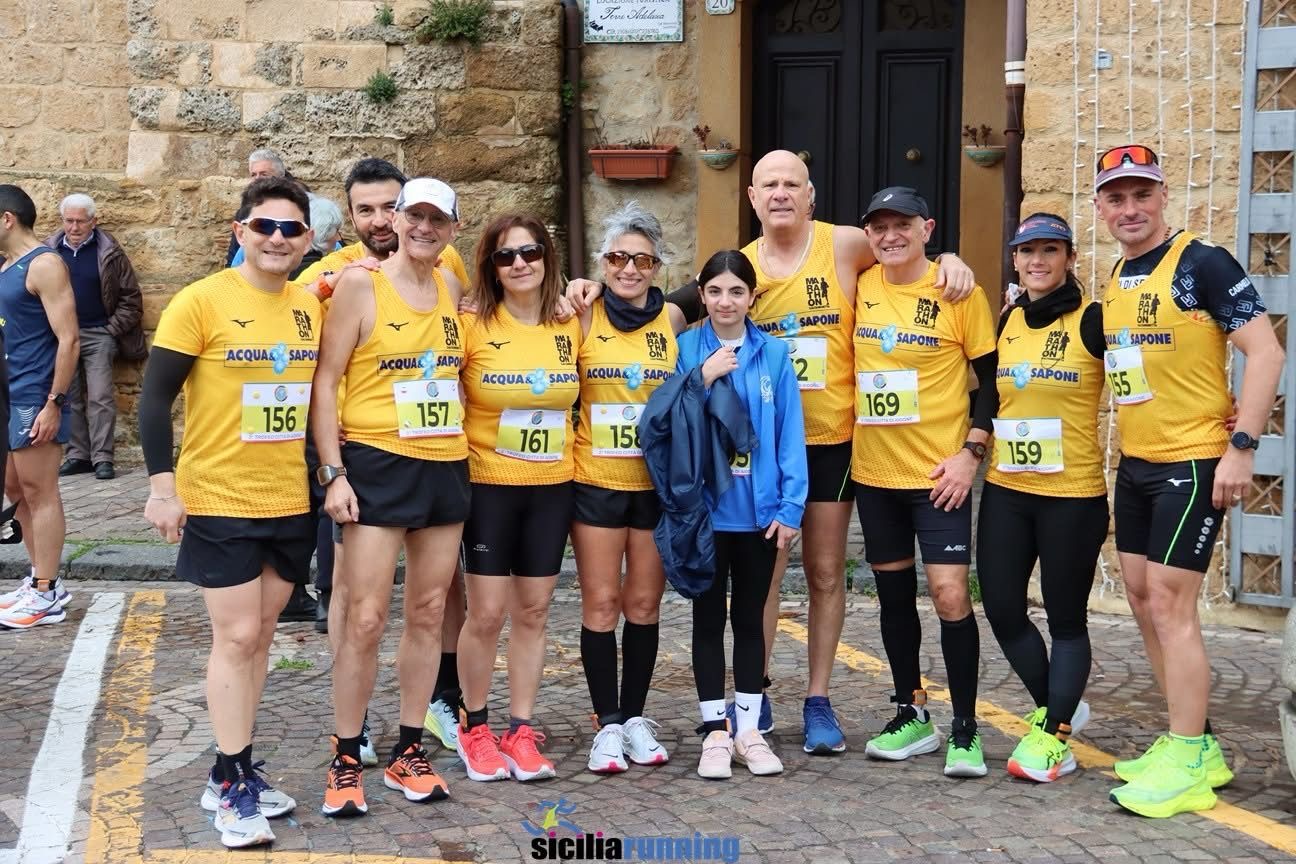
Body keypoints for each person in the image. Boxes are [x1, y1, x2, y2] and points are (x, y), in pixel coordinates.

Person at [567, 150, 976, 755]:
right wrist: (594, 290)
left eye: (792, 184)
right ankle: (751, 702)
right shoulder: (743, 268)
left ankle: (817, 698)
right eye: (768, 185)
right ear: (752, 199)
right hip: (753, 453)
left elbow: (904, 251)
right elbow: (659, 307)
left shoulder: (845, 245)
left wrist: (950, 261)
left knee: (826, 572)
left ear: (810, 196)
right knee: (766, 580)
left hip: (830, 441)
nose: (780, 194)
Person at [1092, 145, 1285, 817]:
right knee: (1144, 599)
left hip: (1195, 460)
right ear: (1101, 208)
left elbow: (1266, 351)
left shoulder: (1201, 263)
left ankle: (1188, 765)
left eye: (1141, 195)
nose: (1130, 209)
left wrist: (1242, 448)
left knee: (1173, 607)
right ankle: (1194, 742)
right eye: (1116, 197)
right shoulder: (1117, 274)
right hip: (1139, 463)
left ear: (1163, 197)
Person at [139, 176, 318, 847]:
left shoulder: (310, 306)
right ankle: (234, 784)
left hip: (288, 499)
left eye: (291, 229)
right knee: (237, 637)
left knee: (263, 635)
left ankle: (228, 768)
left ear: (307, 239)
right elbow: (154, 400)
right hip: (218, 495)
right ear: (240, 231)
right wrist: (163, 487)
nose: (278, 239)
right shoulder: (201, 301)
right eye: (265, 226)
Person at [311, 177, 465, 818]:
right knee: (367, 616)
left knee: (429, 610)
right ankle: (347, 755)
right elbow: (325, 380)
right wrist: (332, 472)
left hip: (445, 463)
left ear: (452, 228)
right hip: (375, 463)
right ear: (396, 220)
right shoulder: (358, 284)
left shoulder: (453, 288)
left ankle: (409, 749)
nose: (425, 228)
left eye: (438, 219)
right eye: (415, 216)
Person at [642, 249, 807, 779]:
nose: (725, 301)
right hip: (705, 513)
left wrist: (791, 505)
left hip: (758, 514)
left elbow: (789, 435)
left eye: (737, 291)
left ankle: (750, 729)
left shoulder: (775, 355)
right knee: (707, 620)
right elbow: (660, 421)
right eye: (715, 292)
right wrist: (702, 378)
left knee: (752, 621)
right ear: (701, 294)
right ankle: (716, 732)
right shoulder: (686, 348)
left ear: (752, 297)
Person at [851, 186, 997, 778]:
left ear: (927, 228)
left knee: (950, 596)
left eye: (901, 225)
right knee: (891, 597)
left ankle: (965, 726)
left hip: (940, 477)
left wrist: (971, 455)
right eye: (879, 227)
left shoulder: (959, 290)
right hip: (875, 474)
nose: (890, 236)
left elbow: (992, 384)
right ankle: (912, 712)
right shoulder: (860, 283)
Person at [975, 213, 1105, 783]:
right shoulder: (1009, 319)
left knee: (1065, 617)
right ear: (1016, 260)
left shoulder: (1094, 319)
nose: (1037, 261)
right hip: (1008, 489)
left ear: (1069, 258)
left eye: (1050, 251)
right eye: (1027, 252)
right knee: (1002, 607)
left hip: (1072, 494)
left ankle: (1054, 737)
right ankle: (1062, 708)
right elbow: (992, 397)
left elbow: (1136, 382)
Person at [455, 214, 582, 782]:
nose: (520, 264)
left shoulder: (572, 321)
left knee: (533, 611)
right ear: (491, 266)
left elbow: (655, 306)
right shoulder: (472, 324)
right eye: (506, 256)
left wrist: (593, 285)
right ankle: (475, 726)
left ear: (547, 258)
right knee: (485, 614)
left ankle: (521, 728)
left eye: (530, 252)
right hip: (488, 487)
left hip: (553, 486)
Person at [572, 203, 685, 774]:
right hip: (597, 481)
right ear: (603, 262)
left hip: (656, 487)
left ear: (657, 265)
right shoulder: (583, 315)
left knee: (643, 604)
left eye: (641, 259)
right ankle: (606, 724)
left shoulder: (674, 323)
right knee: (602, 603)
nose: (629, 269)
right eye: (617, 257)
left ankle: (635, 717)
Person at [0, 185, 78, 630]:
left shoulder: (44, 264)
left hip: (36, 394)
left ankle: (46, 592)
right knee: (15, 488)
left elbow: (69, 338)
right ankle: (39, 580)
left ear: (8, 218)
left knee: (39, 490)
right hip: (13, 393)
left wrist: (54, 403)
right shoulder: (8, 266)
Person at [48, 193, 147, 481]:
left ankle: (103, 457)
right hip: (62, 337)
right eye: (69, 221)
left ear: (94, 221)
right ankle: (78, 455)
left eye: (81, 221)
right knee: (68, 397)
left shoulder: (109, 252)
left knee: (101, 396)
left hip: (98, 334)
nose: (74, 227)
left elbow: (132, 299)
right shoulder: (50, 251)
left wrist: (111, 330)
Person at [226, 149, 288, 266]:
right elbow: (234, 250)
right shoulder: (246, 209)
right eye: (253, 175)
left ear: (280, 176)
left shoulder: (294, 207)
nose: (257, 179)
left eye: (264, 174)